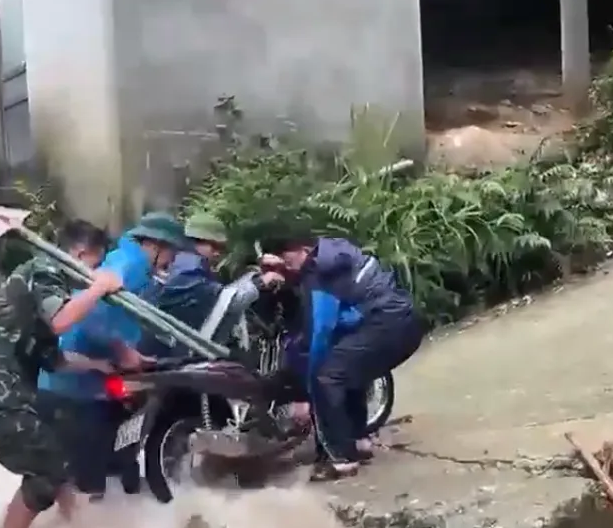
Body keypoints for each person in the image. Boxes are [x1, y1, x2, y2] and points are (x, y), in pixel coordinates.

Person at [0, 219, 120, 528]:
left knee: (56, 458)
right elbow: (61, 321)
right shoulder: (45, 269)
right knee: (46, 471)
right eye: (95, 264)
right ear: (81, 254)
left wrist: (99, 365)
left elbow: (56, 360)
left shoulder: (45, 281)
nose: (93, 272)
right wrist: (98, 288)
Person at [39, 212, 189, 499]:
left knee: (86, 478)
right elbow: (91, 317)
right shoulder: (131, 266)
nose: (173, 261)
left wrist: (129, 354)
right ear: (157, 245)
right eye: (173, 252)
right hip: (74, 386)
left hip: (82, 379)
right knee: (86, 484)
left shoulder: (126, 260)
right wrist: (124, 352)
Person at [260, 234, 427, 480]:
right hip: (401, 320)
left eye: (286, 257)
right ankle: (358, 441)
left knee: (327, 376)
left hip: (387, 325)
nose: (285, 264)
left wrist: (305, 395)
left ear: (303, 249)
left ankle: (341, 459)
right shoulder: (334, 255)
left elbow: (321, 332)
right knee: (347, 369)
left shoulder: (320, 271)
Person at [144, 213, 283, 355]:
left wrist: (257, 276)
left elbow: (222, 293)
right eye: (214, 246)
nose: (218, 253)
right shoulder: (187, 268)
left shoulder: (188, 264)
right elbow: (227, 302)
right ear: (195, 241)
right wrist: (261, 282)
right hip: (169, 352)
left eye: (221, 248)